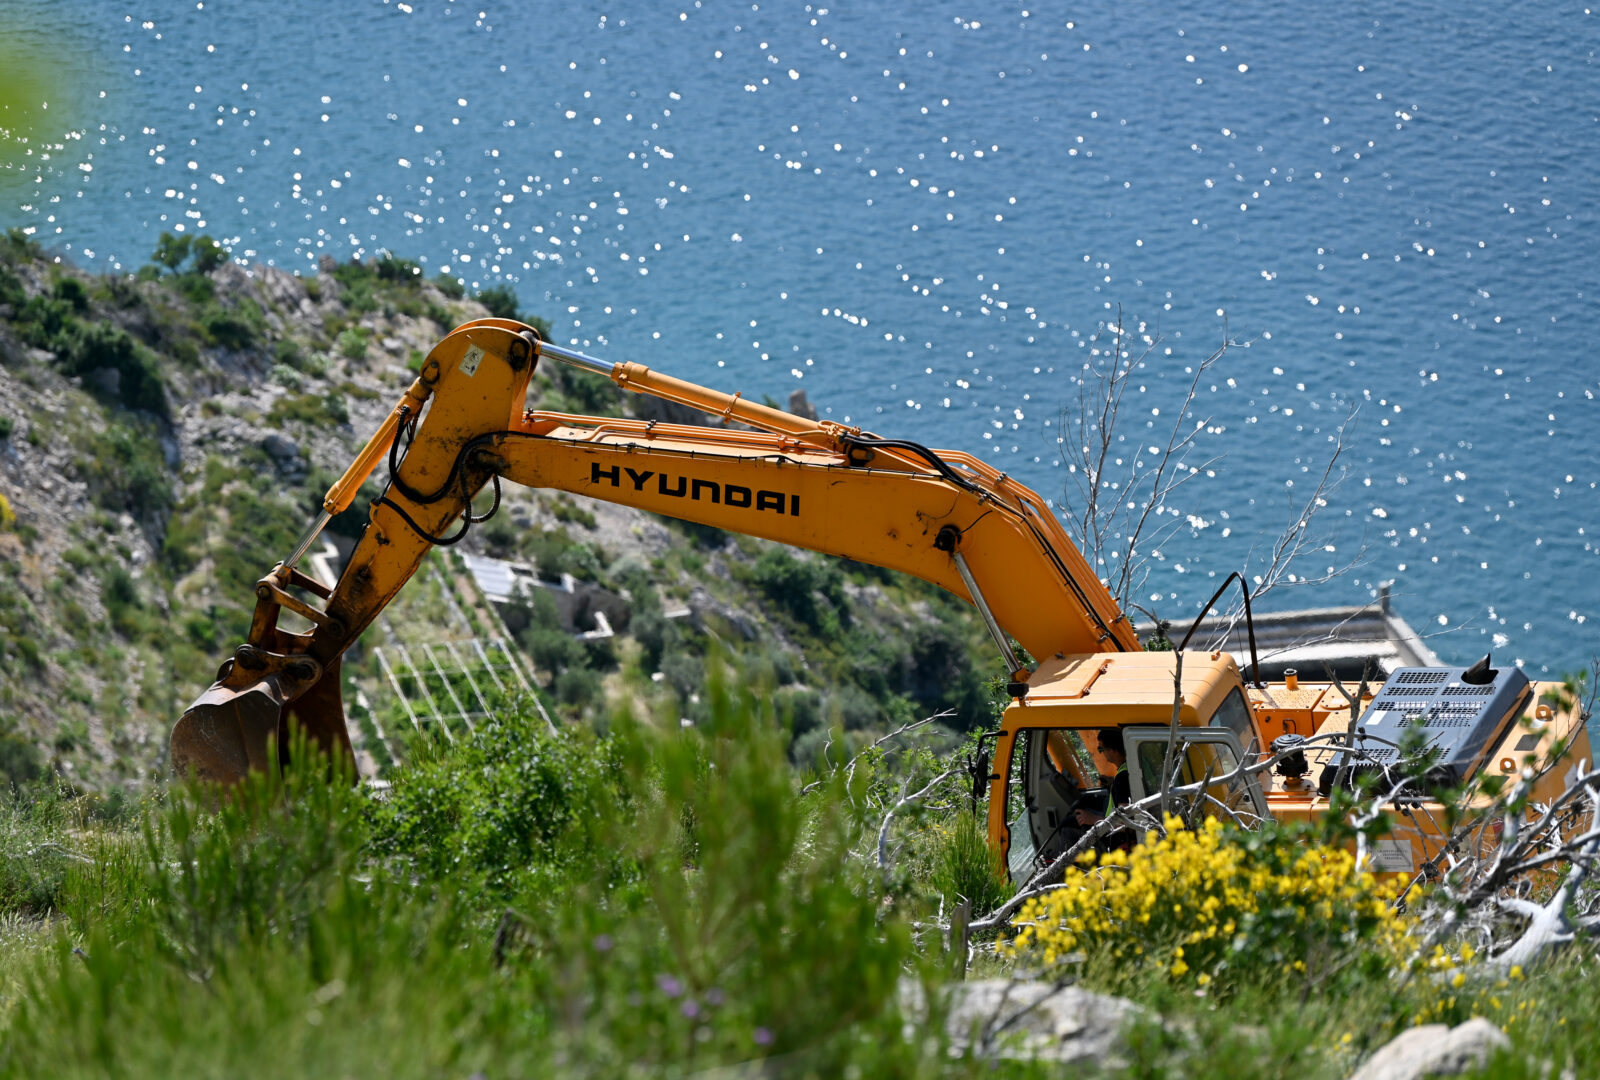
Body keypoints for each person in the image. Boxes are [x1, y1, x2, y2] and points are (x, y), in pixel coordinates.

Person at [1073, 728, 1131, 829]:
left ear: (1113, 750)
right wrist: (1113, 783)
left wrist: (1094, 819)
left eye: (1101, 749)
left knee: (1069, 829)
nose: (1101, 753)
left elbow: (1124, 823)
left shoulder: (1122, 779)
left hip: (1116, 836)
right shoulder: (1129, 768)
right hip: (1110, 822)